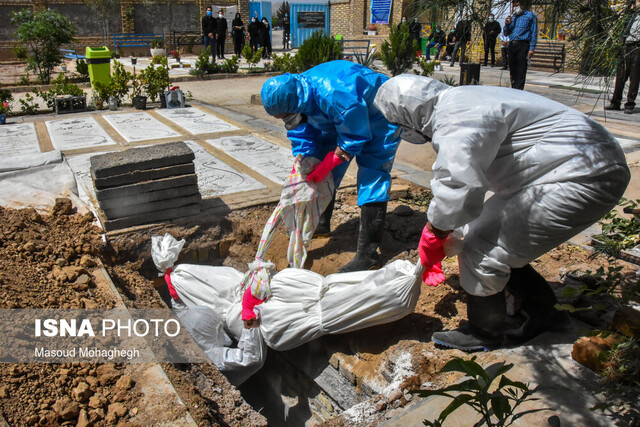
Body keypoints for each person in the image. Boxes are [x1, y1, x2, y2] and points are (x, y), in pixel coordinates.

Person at [374, 75, 630, 351]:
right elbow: (469, 182)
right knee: (486, 235)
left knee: (482, 246)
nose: (402, 132)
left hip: (583, 176)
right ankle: (541, 311)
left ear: (409, 116)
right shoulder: (460, 100)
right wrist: (450, 227)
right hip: (573, 166)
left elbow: (457, 183)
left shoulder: (456, 118)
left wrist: (436, 230)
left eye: (398, 124)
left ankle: (485, 331)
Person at [261, 60, 402, 272]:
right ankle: (322, 224)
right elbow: (302, 130)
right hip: (343, 119)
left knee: (372, 176)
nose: (287, 120)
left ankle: (368, 256)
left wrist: (336, 157)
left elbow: (355, 134)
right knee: (320, 163)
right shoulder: (299, 98)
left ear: (294, 104)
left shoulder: (333, 92)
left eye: (287, 116)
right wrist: (307, 158)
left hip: (380, 116)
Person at [605, 0, 640, 114]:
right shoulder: (631, 16)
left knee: (634, 77)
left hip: (637, 48)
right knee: (620, 76)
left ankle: (630, 104)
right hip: (626, 47)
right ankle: (615, 102)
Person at [503, 0, 537, 89]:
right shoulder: (513, 17)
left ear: (522, 4)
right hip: (512, 44)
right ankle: (514, 87)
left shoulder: (530, 16)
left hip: (523, 44)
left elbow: (534, 33)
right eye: (513, 4)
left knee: (521, 69)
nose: (515, 6)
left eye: (516, 3)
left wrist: (531, 48)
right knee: (512, 68)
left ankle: (519, 89)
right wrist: (507, 24)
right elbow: (506, 33)